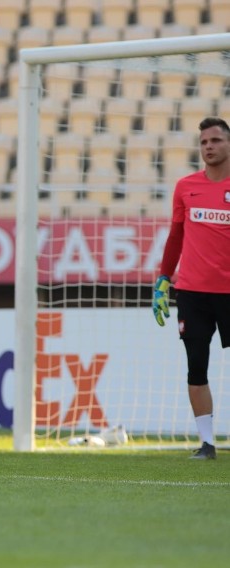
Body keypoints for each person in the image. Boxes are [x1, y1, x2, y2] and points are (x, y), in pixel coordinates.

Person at [153, 116, 230, 460]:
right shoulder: (186, 186)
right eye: (203, 143)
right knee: (196, 365)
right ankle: (208, 444)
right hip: (193, 294)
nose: (209, 147)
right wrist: (162, 280)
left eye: (215, 140)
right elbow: (175, 236)